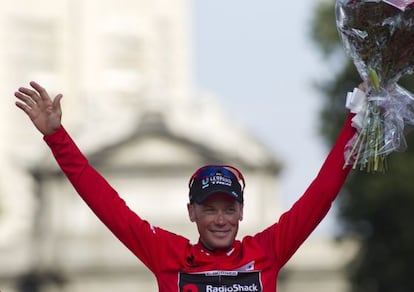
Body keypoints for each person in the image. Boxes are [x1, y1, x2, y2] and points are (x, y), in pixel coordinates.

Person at [14, 81, 357, 291]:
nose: (220, 219)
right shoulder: (168, 255)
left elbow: (322, 193)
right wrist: (57, 137)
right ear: (191, 212)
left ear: (240, 212)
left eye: (228, 208)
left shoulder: (266, 252)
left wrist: (356, 121)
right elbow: (105, 203)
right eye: (209, 209)